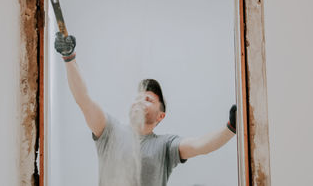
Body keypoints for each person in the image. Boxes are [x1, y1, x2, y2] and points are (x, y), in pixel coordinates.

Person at [54, 32, 237, 186]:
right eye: (138, 97)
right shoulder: (109, 131)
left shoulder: (165, 146)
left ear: (160, 116)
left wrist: (231, 127)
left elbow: (200, 145)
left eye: (148, 99)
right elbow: (83, 99)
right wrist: (68, 57)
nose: (140, 101)